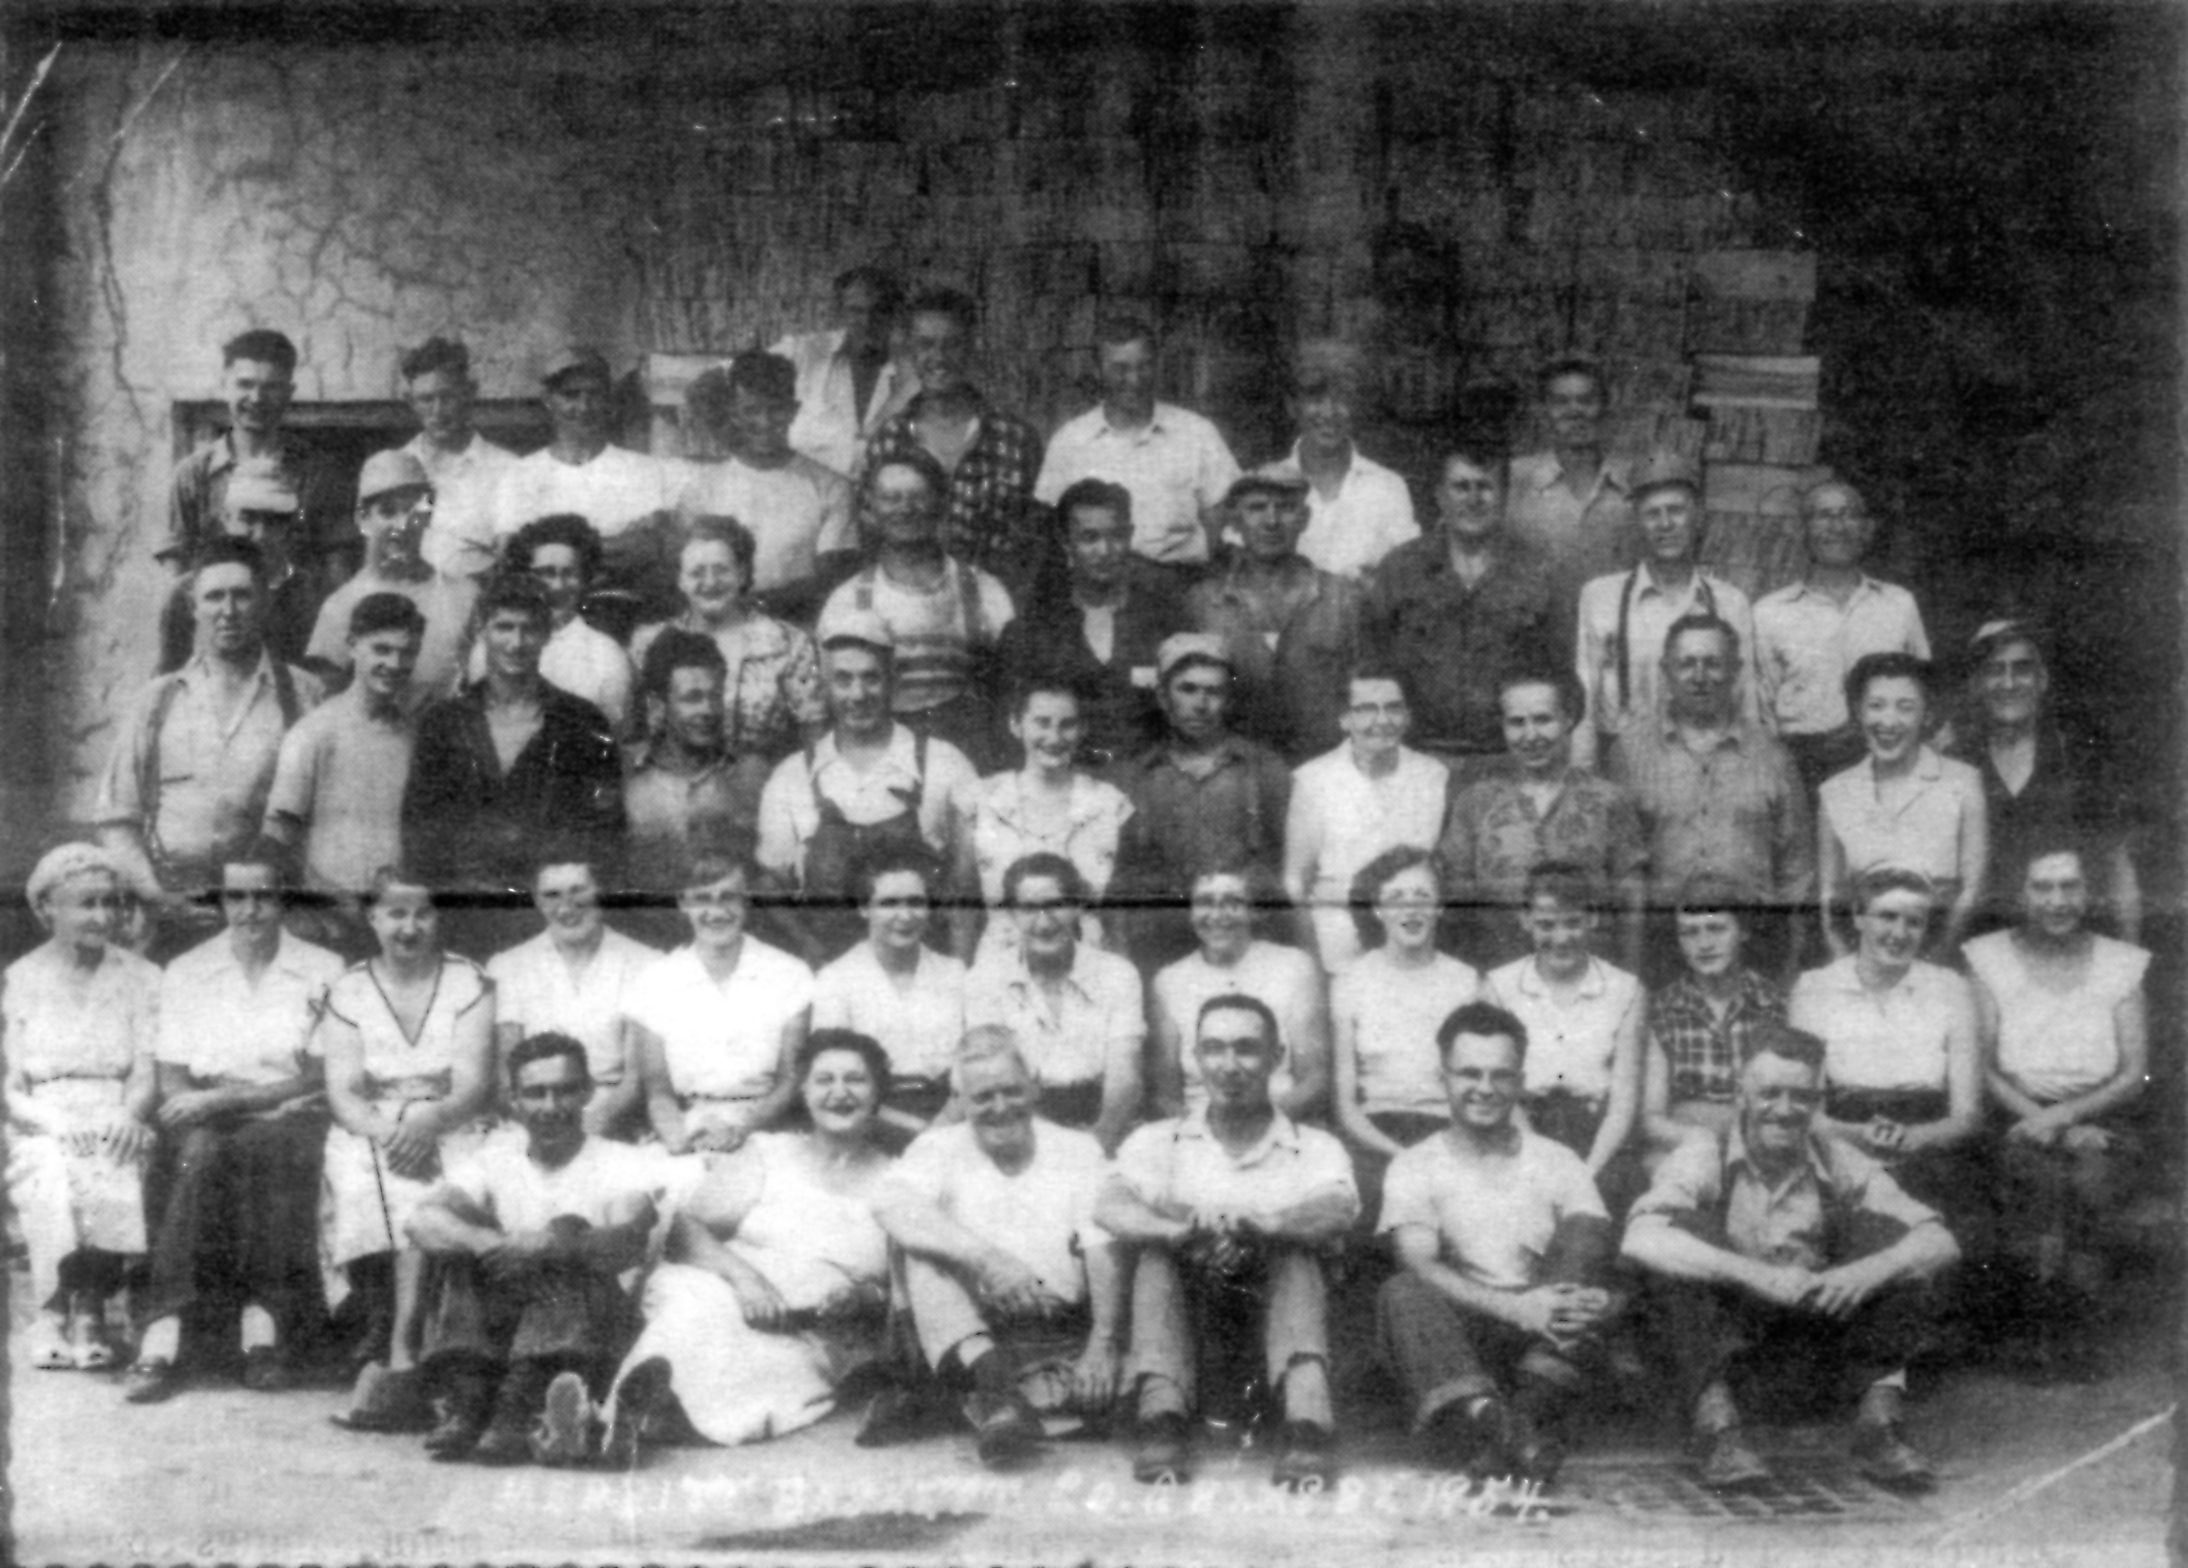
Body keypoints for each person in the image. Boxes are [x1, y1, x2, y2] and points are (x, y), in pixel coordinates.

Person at [1621, 1021, 1959, 1492]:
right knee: (1677, 1241)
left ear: (1818, 1101)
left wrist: (1867, 1271)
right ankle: (1719, 1435)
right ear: (1742, 1093)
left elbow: (1939, 1239)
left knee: (1891, 1239)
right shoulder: (1705, 1150)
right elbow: (1639, 1237)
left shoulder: (1834, 1154)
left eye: (1801, 1097)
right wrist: (1753, 1275)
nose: (1784, 1110)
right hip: (1725, 1353)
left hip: (1813, 1347)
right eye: (1770, 1093)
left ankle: (1877, 1429)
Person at [1098, 994, 1359, 1489]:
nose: (1230, 1065)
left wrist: (1271, 1225)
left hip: (1273, 1351)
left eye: (1247, 1049)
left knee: (1296, 1254)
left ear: (1277, 1057)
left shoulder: (1313, 1145)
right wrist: (1177, 1229)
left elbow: (1337, 1208)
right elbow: (1109, 1204)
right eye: (1214, 1049)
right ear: (1194, 1058)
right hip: (1192, 1347)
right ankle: (1162, 1420)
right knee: (1157, 1256)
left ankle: (1307, 1425)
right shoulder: (1159, 1141)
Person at [603, 1030, 893, 1452]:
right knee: (697, 1311)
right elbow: (685, 1230)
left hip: (809, 1328)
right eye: (824, 1080)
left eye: (856, 1080)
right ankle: (637, 1413)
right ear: (805, 1091)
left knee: (772, 1368)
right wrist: (747, 1281)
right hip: (725, 1284)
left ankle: (638, 1419)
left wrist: (862, 1297)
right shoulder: (769, 1154)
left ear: (879, 1091)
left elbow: (895, 1287)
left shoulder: (899, 1179)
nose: (840, 1093)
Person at [128, 848, 345, 1403]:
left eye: (263, 896)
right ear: (221, 901)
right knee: (198, 1153)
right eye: (236, 897)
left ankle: (261, 1330)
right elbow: (173, 1077)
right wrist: (204, 1105)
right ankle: (163, 1333)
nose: (250, 911)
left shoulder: (321, 968)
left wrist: (230, 1100)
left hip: (288, 1111)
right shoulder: (189, 970)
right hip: (204, 1111)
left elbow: (319, 1074)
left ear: (283, 900)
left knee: (265, 1144)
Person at [1377, 1000, 1620, 1484]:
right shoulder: (1415, 1164)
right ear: (1441, 1077)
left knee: (1584, 1237)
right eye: (1469, 1073)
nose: (1485, 1089)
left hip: (1549, 1336)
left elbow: (1593, 1258)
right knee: (1402, 1290)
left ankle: (1503, 1430)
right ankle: (1512, 1428)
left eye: (1500, 1075)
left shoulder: (1558, 1160)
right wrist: (1512, 1309)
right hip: (1464, 1338)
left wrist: (1601, 1301)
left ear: (1521, 1080)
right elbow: (1419, 1263)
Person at [406, 1032, 665, 1465]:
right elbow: (421, 1221)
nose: (550, 1106)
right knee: (462, 1242)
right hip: (501, 1340)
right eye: (535, 1093)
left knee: (569, 1232)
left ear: (587, 1092)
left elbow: (627, 1240)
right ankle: (473, 1406)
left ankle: (515, 1412)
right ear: (513, 1100)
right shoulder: (494, 1158)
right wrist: (491, 1244)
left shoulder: (621, 1161)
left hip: (588, 1335)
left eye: (564, 1091)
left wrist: (550, 1244)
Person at [869, 1032, 1127, 1465]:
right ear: (960, 1100)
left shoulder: (1077, 1150)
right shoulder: (938, 1147)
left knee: (1120, 1382)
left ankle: (1002, 1404)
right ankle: (995, 1391)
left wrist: (1103, 1343)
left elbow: (1103, 1246)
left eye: (1012, 1091)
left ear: (1036, 1086)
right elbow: (889, 1205)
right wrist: (990, 1261)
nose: (1000, 1107)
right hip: (971, 1341)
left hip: (1057, 1334)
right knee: (916, 1246)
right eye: (983, 1096)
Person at [319, 866, 497, 1432]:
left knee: (441, 1194)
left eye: (422, 913)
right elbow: (343, 1091)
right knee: (361, 1180)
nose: (410, 926)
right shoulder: (348, 989)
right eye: (396, 913)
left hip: (452, 1118)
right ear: (373, 918)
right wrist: (386, 1131)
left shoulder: (468, 980)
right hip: (373, 1126)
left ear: (439, 917)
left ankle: (404, 1357)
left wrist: (428, 1122)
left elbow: (473, 1081)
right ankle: (393, 1341)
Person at [1964, 839, 2151, 1375]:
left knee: (2091, 1180)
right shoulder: (1990, 957)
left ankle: (2077, 1330)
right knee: (2035, 1177)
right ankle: (2038, 1330)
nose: (2057, 900)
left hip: (2104, 1115)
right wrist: (2041, 1120)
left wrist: (2067, 1119)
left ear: (2089, 892)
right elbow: (1982, 1067)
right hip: (2015, 1110)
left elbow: (2135, 1072)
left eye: (2070, 886)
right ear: (2020, 893)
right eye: (2042, 887)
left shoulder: (2121, 964)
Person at [97, 537, 325, 954]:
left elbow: (326, 819)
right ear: (194, 607)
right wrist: (157, 897)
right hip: (169, 921)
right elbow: (117, 822)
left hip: (272, 923)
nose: (228, 610)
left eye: (242, 595)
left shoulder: (306, 696)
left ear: (266, 602)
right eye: (214, 596)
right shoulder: (156, 700)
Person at [402, 572, 625, 949]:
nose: (516, 642)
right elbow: (419, 835)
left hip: (553, 925)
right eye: (504, 627)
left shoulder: (583, 723)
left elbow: (606, 836)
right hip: (461, 924)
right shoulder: (443, 724)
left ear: (548, 631)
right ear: (481, 629)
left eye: (529, 629)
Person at [3, 845, 160, 1372]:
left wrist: (130, 1113)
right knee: (48, 1166)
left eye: (110, 903)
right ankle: (50, 1311)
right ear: (48, 908)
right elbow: (10, 1086)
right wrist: (54, 1121)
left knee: (113, 1156)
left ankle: (91, 1310)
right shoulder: (19, 979)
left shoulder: (142, 977)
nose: (101, 916)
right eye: (85, 904)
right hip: (41, 1115)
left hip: (115, 1107)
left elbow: (145, 1069)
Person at [754, 612, 977, 961]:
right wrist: (811, 955)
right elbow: (769, 886)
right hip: (832, 982)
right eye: (843, 680)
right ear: (824, 684)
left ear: (893, 679)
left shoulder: (944, 764)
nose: (857, 694)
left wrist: (958, 979)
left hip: (926, 979)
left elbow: (967, 890)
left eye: (871, 678)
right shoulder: (791, 777)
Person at [1607, 613, 1813, 983]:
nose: (1699, 676)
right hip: (1664, 944)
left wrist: (1791, 968)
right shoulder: (1629, 754)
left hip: (1757, 942)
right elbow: (1621, 867)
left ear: (1735, 669)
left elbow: (1796, 872)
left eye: (1712, 663)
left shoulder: (1773, 755)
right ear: (1665, 670)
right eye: (1686, 664)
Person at [1359, 445, 1571, 776]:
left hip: (1509, 762)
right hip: (1416, 760)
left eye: (1485, 487)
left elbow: (1564, 675)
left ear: (1504, 496)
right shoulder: (1401, 569)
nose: (1473, 499)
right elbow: (1370, 665)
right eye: (1461, 487)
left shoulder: (1539, 571)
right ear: (1440, 495)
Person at [1788, 868, 1982, 1212]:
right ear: (1859, 916)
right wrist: (1859, 1136)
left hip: (1930, 1147)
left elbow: (1967, 1116)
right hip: (1840, 1141)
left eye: (1914, 922)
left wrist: (1914, 1138)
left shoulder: (1951, 988)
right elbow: (1807, 1112)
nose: (1899, 933)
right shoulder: (1815, 987)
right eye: (1887, 917)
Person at [1439, 670, 1649, 972]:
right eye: (1516, 722)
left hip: (1591, 978)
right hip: (1500, 977)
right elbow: (1455, 906)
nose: (1530, 735)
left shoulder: (1608, 801)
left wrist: (1630, 979)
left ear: (1569, 719)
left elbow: (1632, 902)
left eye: (1543, 719)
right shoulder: (1475, 803)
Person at [819, 449, 1016, 768]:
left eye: (918, 496)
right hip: (882, 763)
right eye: (891, 497)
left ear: (942, 502)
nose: (905, 509)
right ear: (870, 508)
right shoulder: (846, 600)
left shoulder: (985, 591)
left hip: (972, 760)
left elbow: (1012, 698)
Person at [1946, 618, 2141, 940]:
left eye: (2021, 669)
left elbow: (2118, 870)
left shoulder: (2079, 759)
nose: (2009, 683)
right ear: (1978, 683)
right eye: (1995, 670)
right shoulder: (1956, 763)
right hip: (1978, 948)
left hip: (2069, 948)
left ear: (2042, 679)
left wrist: (2129, 968)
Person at [1110, 635, 1291, 969]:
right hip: (1159, 950)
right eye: (1187, 689)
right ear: (1163, 697)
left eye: (1214, 691)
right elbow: (1121, 881)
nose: (1201, 703)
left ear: (1229, 699)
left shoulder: (1265, 772)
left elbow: (1287, 870)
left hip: (1246, 947)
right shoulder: (1135, 778)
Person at [1574, 452, 1761, 772]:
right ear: (1636, 521)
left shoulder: (1730, 603)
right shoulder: (1600, 598)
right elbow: (1586, 700)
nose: (1665, 524)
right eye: (1652, 514)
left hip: (1708, 767)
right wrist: (1582, 778)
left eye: (1676, 511)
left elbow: (1746, 703)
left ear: (1697, 516)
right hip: (1623, 765)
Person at [861, 287, 1049, 597]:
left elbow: (1039, 543)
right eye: (926, 345)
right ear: (911, 350)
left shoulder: (1015, 438)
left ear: (973, 347)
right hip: (911, 611)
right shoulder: (889, 441)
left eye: (952, 345)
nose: (938, 358)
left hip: (998, 611)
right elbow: (870, 539)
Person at [991, 478, 1191, 769]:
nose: (1105, 550)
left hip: (1150, 781)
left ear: (1131, 535)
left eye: (1116, 536)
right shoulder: (1032, 630)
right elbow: (1010, 732)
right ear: (1065, 542)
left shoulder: (1165, 621)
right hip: (1063, 783)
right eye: (1089, 538)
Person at [1752, 480, 1931, 795]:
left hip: (1886, 765)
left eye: (1848, 514)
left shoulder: (1899, 604)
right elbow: (1760, 712)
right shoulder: (1768, 613)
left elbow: (1924, 691)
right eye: (1823, 515)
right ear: (1803, 531)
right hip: (1801, 770)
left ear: (1866, 529)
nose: (1837, 526)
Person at [1483, 864, 1645, 1208]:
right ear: (1525, 920)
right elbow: (1500, 1091)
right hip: (1519, 1133)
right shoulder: (1498, 988)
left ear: (1593, 917)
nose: (1561, 937)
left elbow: (1622, 1106)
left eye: (1572, 922)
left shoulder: (1625, 990)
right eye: (1546, 925)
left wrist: (1584, 1176)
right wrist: (1539, 1165)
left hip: (1600, 1144)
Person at [630, 852, 813, 1155]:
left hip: (766, 1130)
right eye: (702, 899)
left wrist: (741, 1129)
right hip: (684, 1127)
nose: (716, 912)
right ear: (683, 903)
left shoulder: (789, 974)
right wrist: (679, 1140)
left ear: (747, 901)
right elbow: (658, 1090)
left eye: (728, 897)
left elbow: (790, 1081)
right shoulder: (654, 981)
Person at [1329, 850, 1483, 1202]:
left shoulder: (1466, 982)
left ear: (1440, 907)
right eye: (1396, 898)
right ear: (1378, 909)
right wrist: (1403, 1157)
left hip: (1452, 1132)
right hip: (1374, 1135)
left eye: (1422, 897)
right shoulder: (1351, 981)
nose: (1410, 910)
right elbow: (1346, 1106)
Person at [964, 857, 1145, 1154]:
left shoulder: (1117, 973)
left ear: (1077, 907)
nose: (1044, 922)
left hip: (1107, 1126)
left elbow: (1125, 1078)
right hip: (1022, 1129)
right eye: (1029, 909)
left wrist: (1096, 1147)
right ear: (1010, 913)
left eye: (1057, 905)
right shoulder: (984, 979)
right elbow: (995, 1078)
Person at [950, 674, 1134, 965]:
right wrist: (960, 982)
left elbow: (1117, 917)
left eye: (1067, 724)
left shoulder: (1108, 805)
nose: (1054, 737)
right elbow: (963, 908)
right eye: (1042, 722)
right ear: (1016, 724)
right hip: (1002, 967)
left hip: (1088, 965)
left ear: (1083, 728)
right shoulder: (980, 802)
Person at [1034, 317, 1242, 572]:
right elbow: (1050, 526)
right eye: (1120, 369)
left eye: (1144, 367)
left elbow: (1226, 514)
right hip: (1097, 589)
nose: (1134, 379)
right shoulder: (1070, 441)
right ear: (1098, 370)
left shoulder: (1196, 432)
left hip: (1179, 586)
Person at [263, 592, 424, 917]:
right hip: (329, 922)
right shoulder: (313, 735)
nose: (394, 664)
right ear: (352, 645)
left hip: (396, 922)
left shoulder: (415, 735)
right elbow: (278, 839)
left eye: (406, 652)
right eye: (381, 649)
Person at [1818, 653, 1987, 957]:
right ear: (1858, 711)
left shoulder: (1963, 783)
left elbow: (1972, 889)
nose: (1889, 721)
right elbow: (1829, 897)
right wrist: (1849, 971)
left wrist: (1930, 965)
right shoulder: (1834, 792)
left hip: (1941, 961)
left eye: (1905, 707)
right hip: (1861, 966)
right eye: (1876, 706)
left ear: (1926, 714)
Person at [1281, 667, 1449, 974]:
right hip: (1339, 947)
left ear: (1408, 715)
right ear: (1344, 719)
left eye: (1393, 708)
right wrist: (1312, 963)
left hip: (1412, 940)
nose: (1382, 721)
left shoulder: (1432, 776)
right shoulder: (1314, 780)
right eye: (1366, 710)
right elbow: (1297, 882)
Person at [1185, 473, 1362, 761]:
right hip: (1236, 772)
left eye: (1286, 508)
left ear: (1305, 518)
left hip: (1325, 768)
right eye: (1256, 508)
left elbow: (1365, 692)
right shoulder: (1204, 603)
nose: (1271, 521)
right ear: (1234, 519)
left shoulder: (1343, 598)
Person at [485, 851, 660, 1139]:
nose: (566, 908)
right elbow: (507, 1076)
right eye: (552, 895)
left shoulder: (645, 963)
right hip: (534, 1119)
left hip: (615, 1120)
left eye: (578, 891)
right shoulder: (508, 966)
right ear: (537, 900)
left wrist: (594, 1125)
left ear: (600, 891)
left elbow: (636, 1079)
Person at [164, 328, 353, 589]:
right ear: (224, 386)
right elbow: (175, 573)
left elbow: (337, 574)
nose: (257, 398)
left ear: (289, 392)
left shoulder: (319, 472)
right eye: (245, 384)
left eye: (272, 387)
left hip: (294, 622)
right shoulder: (192, 474)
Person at [629, 516, 826, 764]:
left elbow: (814, 738)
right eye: (697, 572)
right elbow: (634, 737)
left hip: (760, 790)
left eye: (721, 570)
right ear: (680, 579)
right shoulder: (648, 644)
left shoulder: (789, 644)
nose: (710, 582)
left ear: (742, 574)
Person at [493, 346, 678, 606]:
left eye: (594, 394)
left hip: (622, 608)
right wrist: (611, 545)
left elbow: (648, 551)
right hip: (547, 614)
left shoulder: (644, 470)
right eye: (571, 395)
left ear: (608, 399)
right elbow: (512, 556)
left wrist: (552, 549)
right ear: (549, 399)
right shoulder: (520, 474)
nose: (584, 406)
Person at [812, 844, 967, 1151]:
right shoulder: (837, 980)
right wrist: (919, 1135)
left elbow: (972, 1069)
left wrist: (943, 1127)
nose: (905, 916)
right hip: (869, 1129)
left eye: (915, 902)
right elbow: (833, 1079)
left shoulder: (955, 973)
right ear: (864, 907)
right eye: (889, 903)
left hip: (952, 1124)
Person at [1151, 861, 1331, 1124]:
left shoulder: (1294, 967)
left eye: (1232, 902)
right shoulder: (1169, 980)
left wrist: (1254, 1128)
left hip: (1280, 1121)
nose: (1217, 914)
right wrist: (1206, 1134)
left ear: (1254, 911)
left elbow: (1313, 1081)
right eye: (1204, 902)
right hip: (1198, 1132)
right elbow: (1166, 1096)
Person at [674, 354, 858, 604]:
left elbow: (831, 579)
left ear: (793, 411)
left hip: (798, 625)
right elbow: (687, 573)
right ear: (735, 413)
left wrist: (758, 605)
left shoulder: (832, 487)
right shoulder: (702, 488)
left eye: (777, 409)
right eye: (752, 410)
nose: (765, 422)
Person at [305, 449, 477, 704]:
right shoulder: (340, 608)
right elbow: (323, 705)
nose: (402, 525)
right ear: (363, 518)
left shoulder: (464, 596)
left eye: (414, 511)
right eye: (388, 512)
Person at [621, 628, 775, 907]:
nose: (707, 710)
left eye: (714, 696)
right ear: (659, 703)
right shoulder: (625, 777)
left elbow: (769, 877)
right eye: (692, 698)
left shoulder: (751, 774)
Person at [1639, 873, 1788, 1162]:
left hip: (1758, 1139)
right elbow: (1651, 1119)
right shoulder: (1665, 1009)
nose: (1704, 944)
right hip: (1687, 1141)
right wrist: (1700, 1139)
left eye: (1716, 929)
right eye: (1690, 932)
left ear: (1743, 931)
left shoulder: (1771, 1003)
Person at [1254, 340, 1416, 580]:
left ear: (1357, 407)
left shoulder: (1388, 488)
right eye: (1315, 400)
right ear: (1292, 406)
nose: (1329, 413)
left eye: (1342, 400)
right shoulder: (1262, 486)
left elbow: (1408, 576)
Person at [156, 458, 328, 674]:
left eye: (273, 521)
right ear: (226, 519)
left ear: (290, 526)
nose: (260, 534)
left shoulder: (311, 594)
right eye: (248, 519)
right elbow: (168, 677)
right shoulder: (186, 594)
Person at [490, 514, 637, 735]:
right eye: (545, 573)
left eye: (569, 574)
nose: (557, 586)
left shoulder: (606, 656)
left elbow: (614, 740)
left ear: (585, 579)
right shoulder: (493, 647)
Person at [773, 264, 919, 480]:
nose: (868, 321)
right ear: (840, 312)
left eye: (879, 310)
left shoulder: (915, 372)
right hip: (806, 502)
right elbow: (716, 380)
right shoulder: (802, 353)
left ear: (895, 314)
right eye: (856, 310)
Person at [1504, 354, 1636, 591]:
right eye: (1560, 402)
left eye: (1586, 400)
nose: (1575, 411)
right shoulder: (1516, 478)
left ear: (1604, 408)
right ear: (1544, 411)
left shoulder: (1632, 482)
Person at [398, 337, 519, 580]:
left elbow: (507, 560)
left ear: (469, 394)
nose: (438, 411)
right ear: (411, 402)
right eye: (426, 399)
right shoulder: (396, 466)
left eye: (448, 397)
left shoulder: (507, 468)